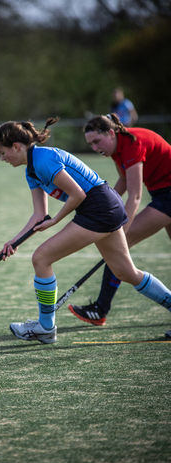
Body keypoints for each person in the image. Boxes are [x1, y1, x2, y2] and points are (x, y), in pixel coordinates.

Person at [0, 117, 171, 344]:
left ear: (16, 146)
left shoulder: (44, 159)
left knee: (41, 258)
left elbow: (78, 195)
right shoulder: (32, 171)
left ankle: (45, 328)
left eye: (2, 152)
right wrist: (13, 242)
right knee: (127, 272)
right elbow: (38, 215)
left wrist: (56, 220)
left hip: (98, 207)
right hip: (105, 206)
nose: (2, 158)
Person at [68, 113, 171, 339]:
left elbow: (134, 197)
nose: (95, 147)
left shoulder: (133, 145)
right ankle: (101, 309)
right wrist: (107, 202)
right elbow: (123, 181)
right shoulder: (117, 148)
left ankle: (101, 308)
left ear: (111, 133)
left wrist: (120, 229)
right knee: (117, 248)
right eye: (90, 144)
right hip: (162, 193)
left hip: (168, 195)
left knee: (117, 247)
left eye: (97, 141)